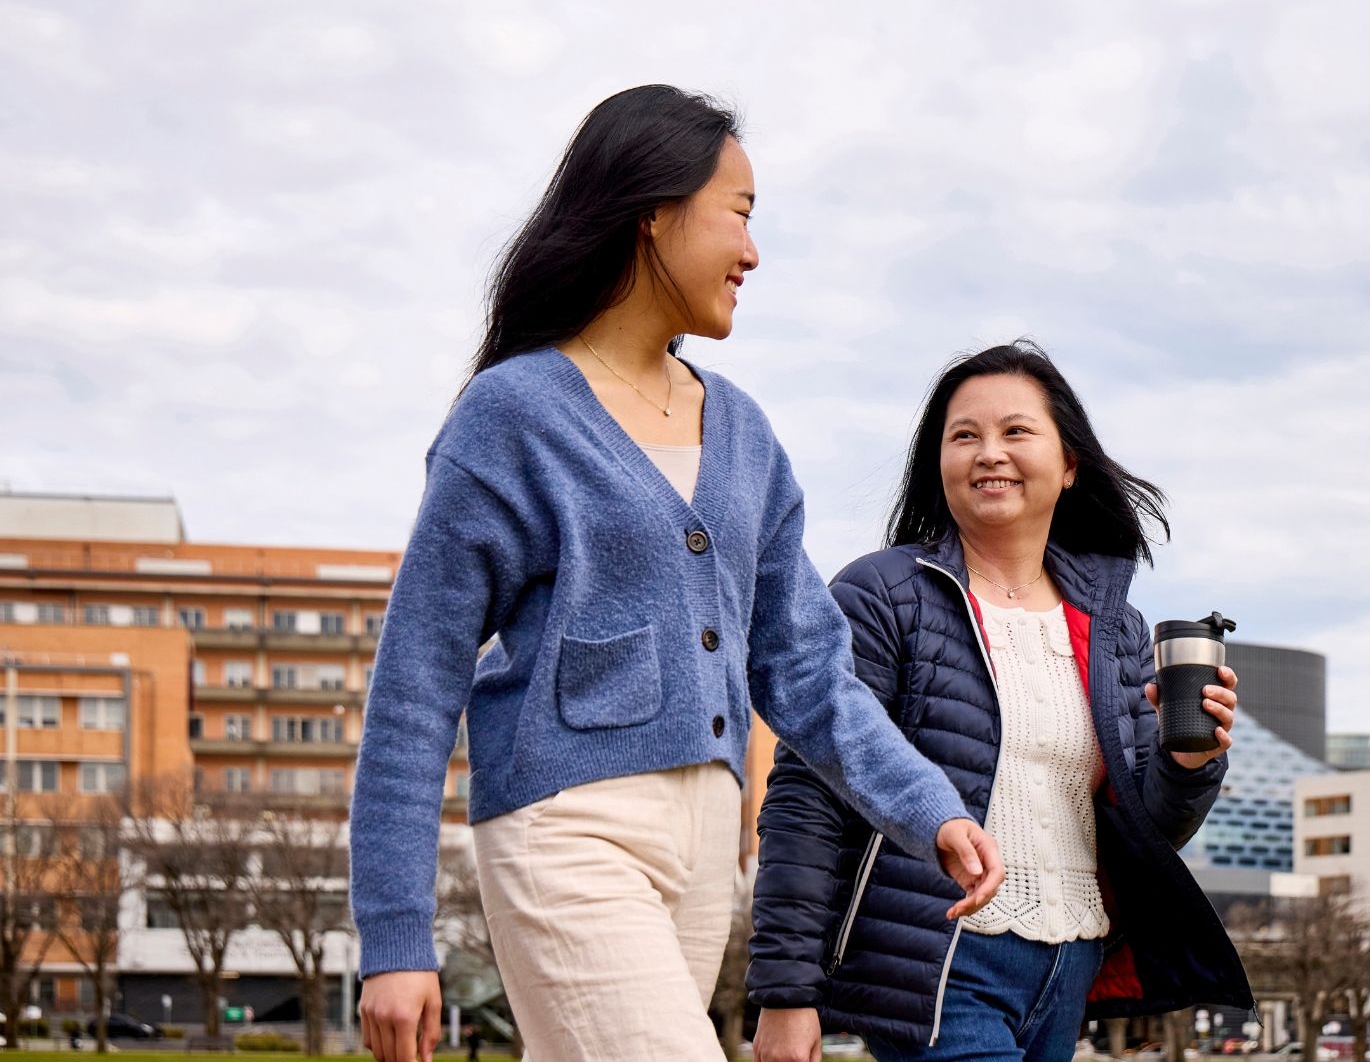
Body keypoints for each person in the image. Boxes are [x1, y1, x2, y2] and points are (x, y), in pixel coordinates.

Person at [348, 85, 1003, 1062]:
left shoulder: (744, 435)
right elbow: (415, 684)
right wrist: (394, 934)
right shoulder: (512, 415)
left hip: (706, 852)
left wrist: (929, 807)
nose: (752, 251)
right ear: (654, 211)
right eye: (739, 213)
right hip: (567, 829)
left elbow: (811, 675)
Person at [748, 342, 1255, 1060]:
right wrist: (786, 992)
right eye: (964, 436)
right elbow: (809, 793)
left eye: (1016, 431)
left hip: (1070, 963)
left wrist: (1190, 759)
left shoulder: (1113, 627)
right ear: (938, 465)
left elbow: (1148, 829)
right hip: (940, 965)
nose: (990, 453)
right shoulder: (882, 594)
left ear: (1070, 462)